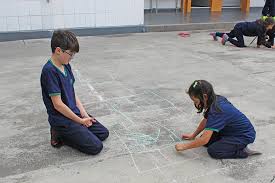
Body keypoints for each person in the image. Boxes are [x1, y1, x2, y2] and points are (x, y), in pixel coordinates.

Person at [40, 30, 109, 155]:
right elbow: (58, 105)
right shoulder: (49, 71)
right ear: (58, 50)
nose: (72, 57)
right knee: (96, 147)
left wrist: (83, 115)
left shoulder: (66, 65)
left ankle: (77, 130)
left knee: (103, 133)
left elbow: (72, 92)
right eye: (70, 54)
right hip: (62, 120)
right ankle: (60, 134)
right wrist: (80, 121)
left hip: (73, 113)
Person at [175, 80, 261, 159]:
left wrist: (184, 146)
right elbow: (205, 120)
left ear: (204, 97)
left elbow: (204, 140)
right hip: (229, 130)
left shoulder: (217, 110)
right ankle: (227, 143)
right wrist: (193, 135)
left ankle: (242, 152)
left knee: (214, 151)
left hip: (243, 135)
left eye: (196, 101)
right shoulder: (215, 99)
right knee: (206, 142)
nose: (195, 104)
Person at [209, 18, 275, 48]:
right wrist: (271, 46)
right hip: (240, 28)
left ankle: (215, 34)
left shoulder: (262, 26)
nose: (271, 28)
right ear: (268, 24)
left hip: (239, 25)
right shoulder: (261, 28)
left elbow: (260, 36)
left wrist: (258, 45)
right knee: (241, 44)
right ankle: (227, 39)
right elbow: (262, 40)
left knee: (231, 35)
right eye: (272, 26)